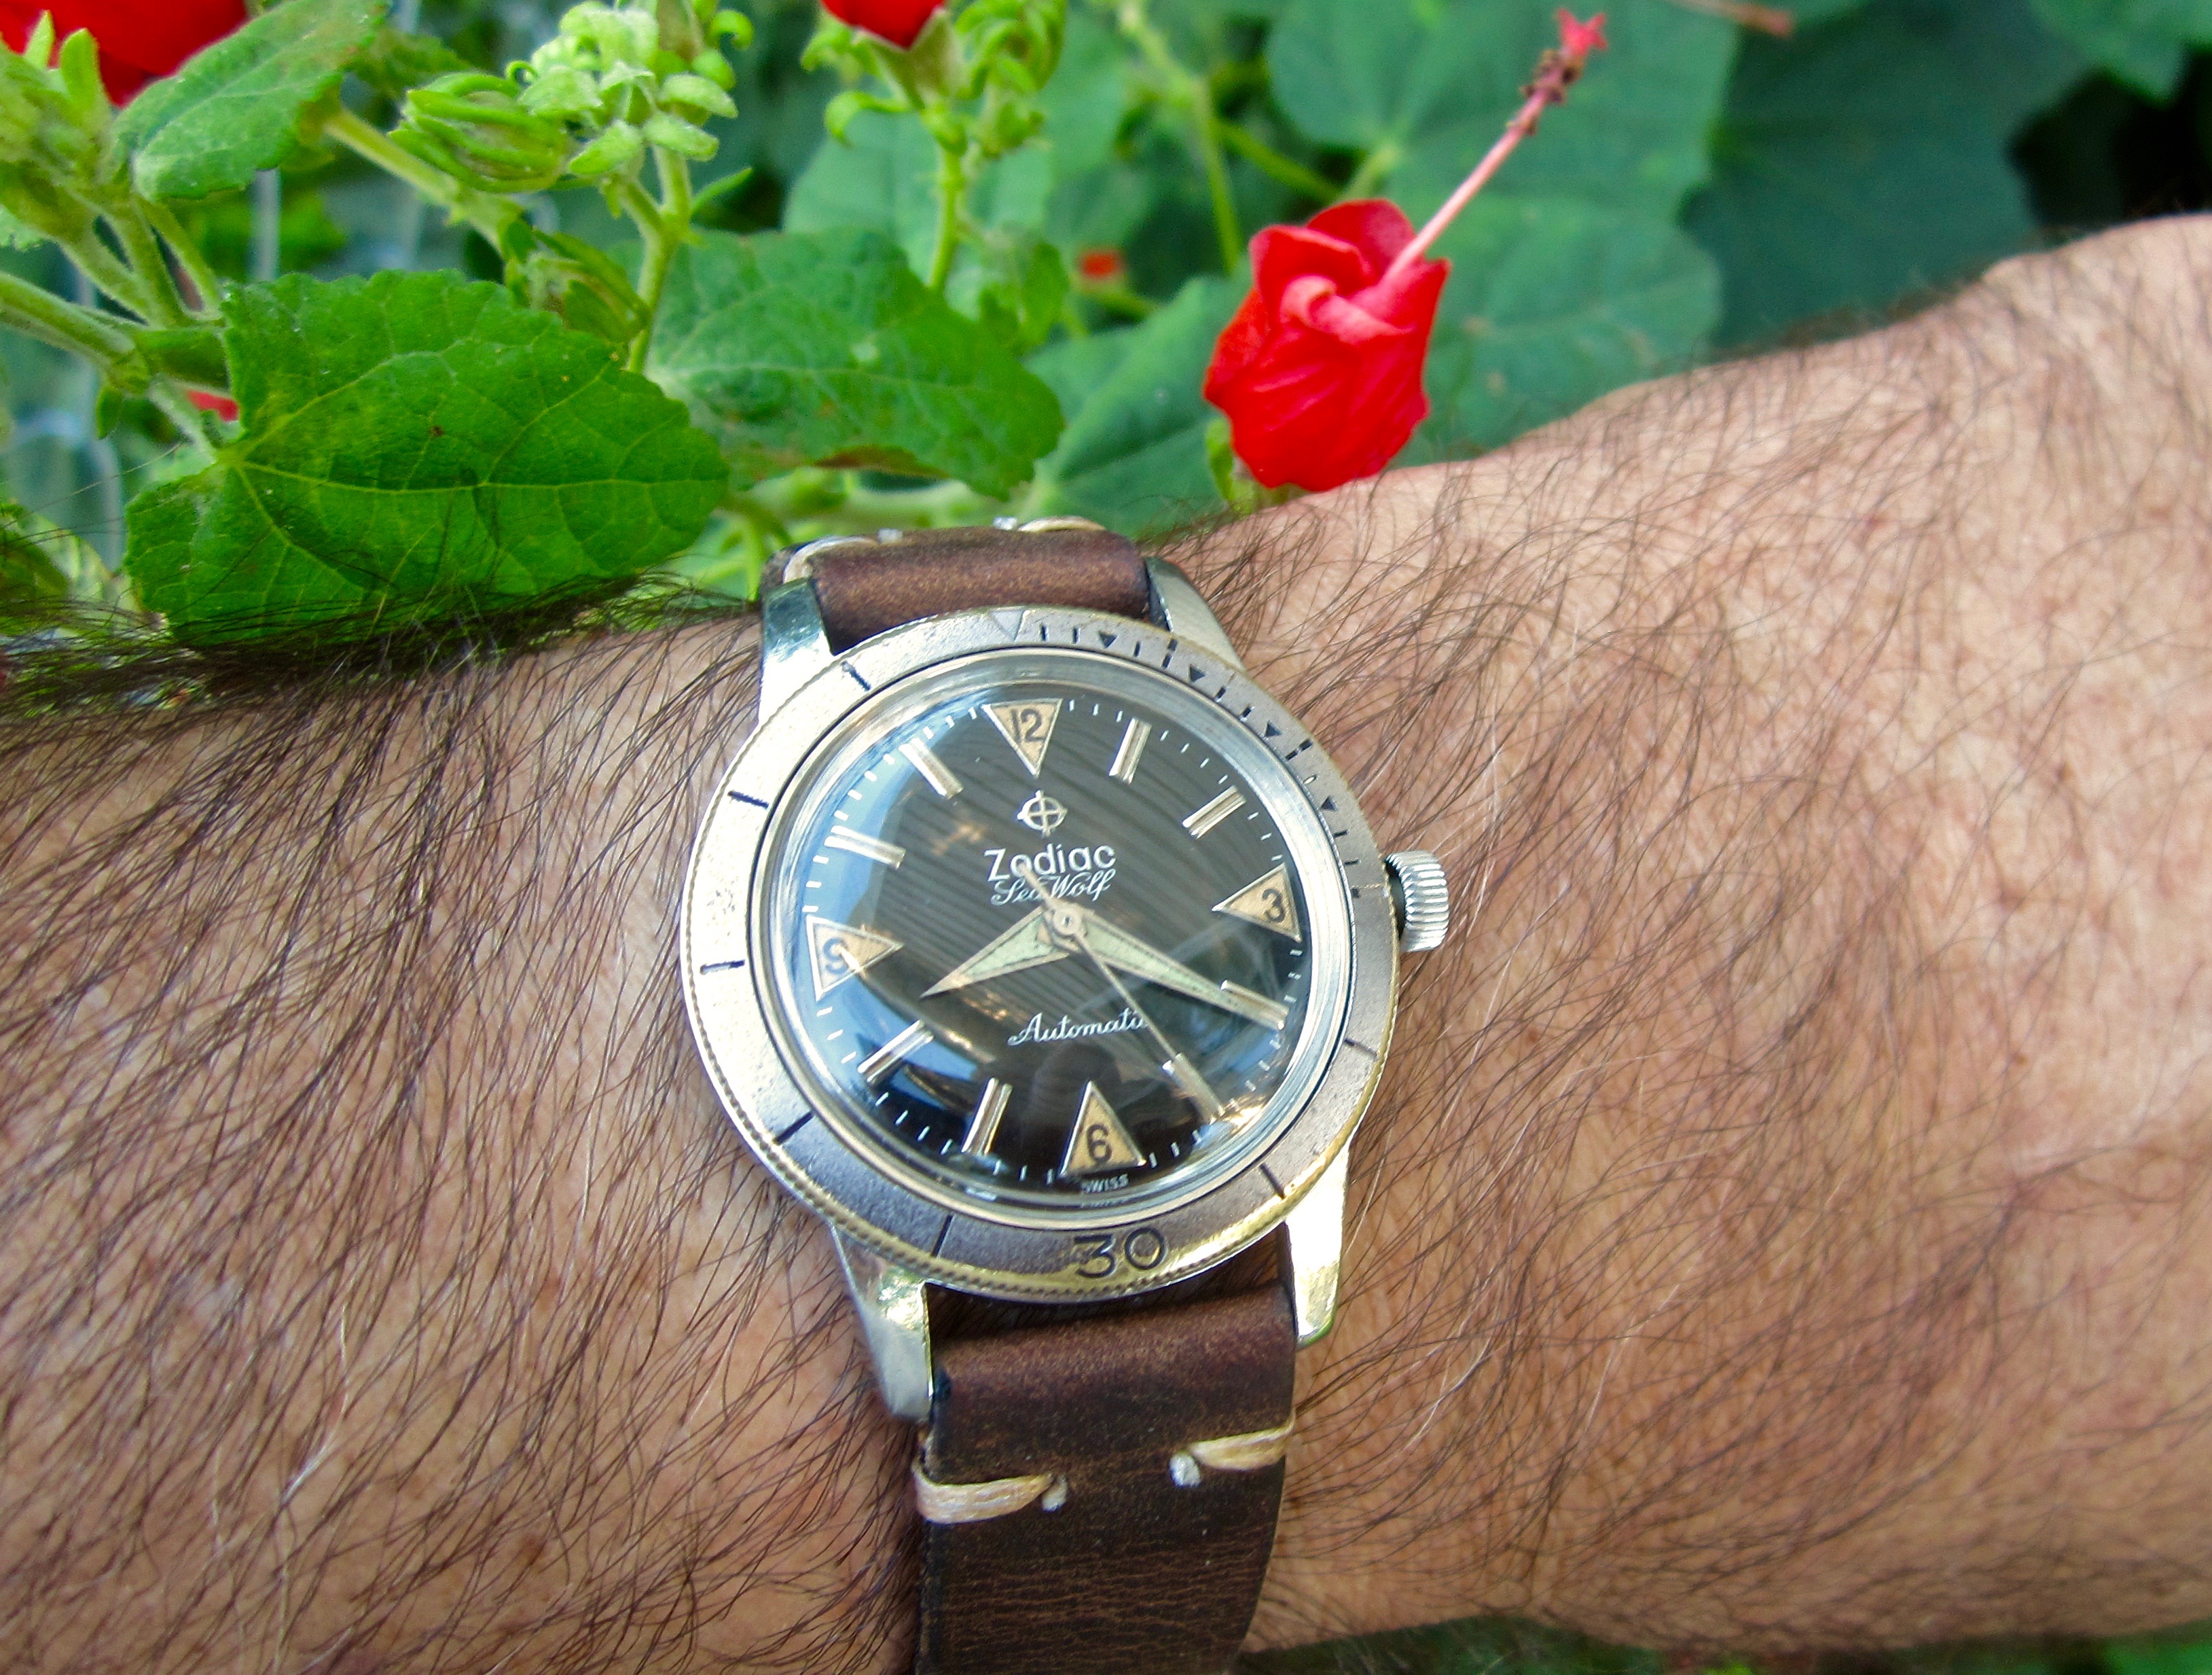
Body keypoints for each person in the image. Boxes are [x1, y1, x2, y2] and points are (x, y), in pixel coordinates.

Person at [7, 215, 2212, 1672]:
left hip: (1169, 1095)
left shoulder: (1251, 889)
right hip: (1026, 1142)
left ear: (1382, 895)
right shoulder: (827, 994)